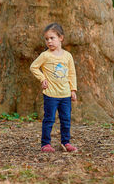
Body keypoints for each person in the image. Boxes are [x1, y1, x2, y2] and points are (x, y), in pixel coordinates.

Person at [30, 23, 78, 153]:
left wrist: (73, 90)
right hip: (51, 94)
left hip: (65, 95)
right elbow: (33, 67)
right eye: (47, 39)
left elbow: (71, 73)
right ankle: (45, 144)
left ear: (61, 38)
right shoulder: (45, 56)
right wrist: (42, 78)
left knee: (66, 119)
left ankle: (66, 142)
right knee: (49, 119)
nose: (49, 41)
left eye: (52, 38)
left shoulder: (67, 56)